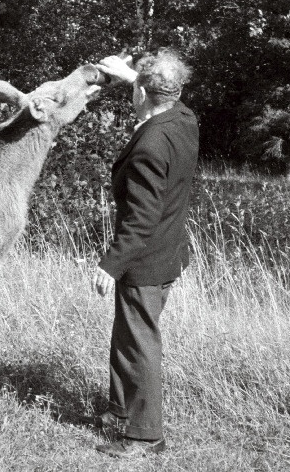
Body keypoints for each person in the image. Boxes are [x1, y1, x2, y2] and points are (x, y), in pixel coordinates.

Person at [92, 48, 198, 458]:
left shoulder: (150, 144)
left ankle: (144, 434)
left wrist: (110, 263)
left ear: (142, 93)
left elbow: (141, 217)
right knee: (127, 334)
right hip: (168, 250)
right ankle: (121, 411)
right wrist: (133, 78)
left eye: (137, 87)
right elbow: (161, 93)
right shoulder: (182, 119)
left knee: (139, 344)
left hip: (146, 258)